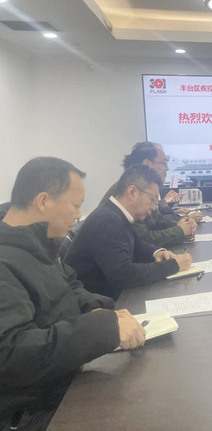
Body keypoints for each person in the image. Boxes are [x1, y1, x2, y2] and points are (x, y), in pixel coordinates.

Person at [0, 157, 145, 430]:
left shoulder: (39, 242)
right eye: (76, 205)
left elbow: (70, 286)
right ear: (43, 201)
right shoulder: (5, 260)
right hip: (33, 411)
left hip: (64, 379)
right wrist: (101, 328)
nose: (79, 215)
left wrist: (98, 309)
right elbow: (11, 355)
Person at [66, 164, 192, 300]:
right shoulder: (107, 220)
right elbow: (123, 276)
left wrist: (157, 252)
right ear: (132, 192)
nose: (154, 208)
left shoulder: (116, 214)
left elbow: (137, 244)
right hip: (95, 303)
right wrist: (173, 265)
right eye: (152, 200)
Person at [101, 142, 199, 247]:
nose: (167, 168)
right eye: (163, 163)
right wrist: (180, 231)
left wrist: (182, 224)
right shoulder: (132, 189)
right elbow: (143, 239)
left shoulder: (146, 187)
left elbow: (157, 221)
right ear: (147, 164)